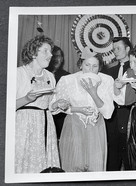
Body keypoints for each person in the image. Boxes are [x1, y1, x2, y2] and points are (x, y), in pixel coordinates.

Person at [50, 49, 114, 172]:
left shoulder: (107, 80)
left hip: (96, 127)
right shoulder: (67, 80)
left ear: (100, 67)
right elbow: (53, 107)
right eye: (87, 65)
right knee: (73, 166)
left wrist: (93, 93)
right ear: (80, 64)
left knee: (95, 168)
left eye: (95, 66)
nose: (90, 69)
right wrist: (77, 109)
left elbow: (108, 113)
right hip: (74, 126)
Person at [15, 35, 60, 173]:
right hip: (24, 124)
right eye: (45, 51)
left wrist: (58, 104)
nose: (51, 55)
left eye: (50, 51)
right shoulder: (19, 73)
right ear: (34, 53)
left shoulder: (50, 76)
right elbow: (7, 107)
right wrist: (27, 99)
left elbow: (50, 106)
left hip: (46, 124)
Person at [101, 37, 133, 171]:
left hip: (129, 116)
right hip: (112, 118)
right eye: (114, 49)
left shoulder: (135, 70)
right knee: (112, 157)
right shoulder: (109, 72)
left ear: (127, 49)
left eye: (118, 48)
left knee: (129, 156)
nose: (115, 51)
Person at [46, 45, 70, 140]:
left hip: (61, 119)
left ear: (62, 59)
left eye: (58, 56)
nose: (56, 59)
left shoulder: (68, 77)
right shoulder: (42, 75)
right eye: (53, 56)